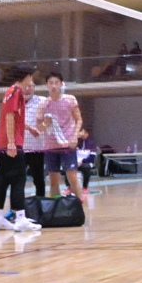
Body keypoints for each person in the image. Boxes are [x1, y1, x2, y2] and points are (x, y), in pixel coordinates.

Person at [26, 72, 88, 211]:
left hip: (67, 144)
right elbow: (39, 128)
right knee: (54, 179)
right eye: (50, 83)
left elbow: (79, 119)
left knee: (72, 177)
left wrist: (75, 137)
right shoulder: (43, 104)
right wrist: (45, 124)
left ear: (61, 84)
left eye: (56, 82)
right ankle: (56, 209)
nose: (53, 86)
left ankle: (78, 207)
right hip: (50, 146)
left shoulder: (70, 99)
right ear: (46, 85)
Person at [0, 72, 40, 232]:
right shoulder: (17, 91)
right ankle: (20, 219)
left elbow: (13, 118)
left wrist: (29, 128)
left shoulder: (9, 91)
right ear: (24, 77)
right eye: (30, 78)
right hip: (11, 144)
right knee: (19, 179)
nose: (31, 81)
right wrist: (12, 142)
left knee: (4, 179)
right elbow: (10, 117)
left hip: (2, 143)